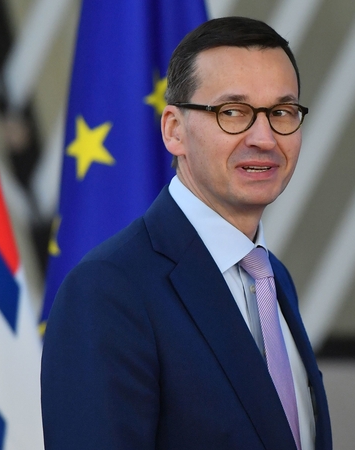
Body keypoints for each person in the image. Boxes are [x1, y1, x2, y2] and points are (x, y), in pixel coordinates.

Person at [41, 16, 332, 450]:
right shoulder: (108, 290)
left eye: (282, 112)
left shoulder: (272, 278)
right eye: (233, 112)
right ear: (174, 129)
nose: (265, 138)